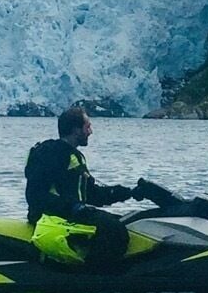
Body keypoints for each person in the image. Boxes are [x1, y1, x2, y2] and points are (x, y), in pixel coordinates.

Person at [23, 104, 152, 266]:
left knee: (127, 223)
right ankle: (96, 278)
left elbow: (91, 194)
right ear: (76, 129)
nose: (90, 132)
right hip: (51, 217)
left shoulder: (73, 156)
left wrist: (128, 193)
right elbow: (35, 195)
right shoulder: (51, 153)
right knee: (114, 230)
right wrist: (74, 207)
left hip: (68, 214)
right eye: (87, 126)